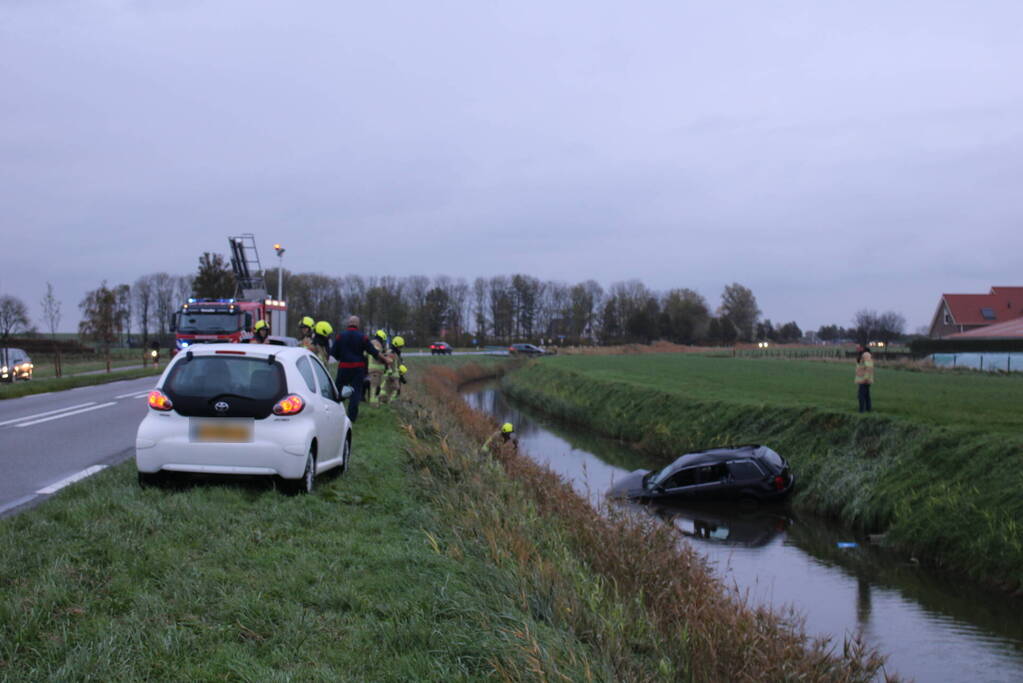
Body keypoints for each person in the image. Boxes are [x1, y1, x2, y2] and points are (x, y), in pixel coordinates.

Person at [330, 316, 389, 421]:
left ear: (348, 324)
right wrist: (385, 359)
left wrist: (342, 357)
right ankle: (351, 417)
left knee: (338, 390)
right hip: (357, 369)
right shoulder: (363, 337)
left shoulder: (340, 336)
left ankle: (334, 413)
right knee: (355, 393)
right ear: (358, 325)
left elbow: (333, 353)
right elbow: (373, 352)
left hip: (343, 367)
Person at [367, 329, 390, 406]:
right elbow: (377, 355)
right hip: (375, 369)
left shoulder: (372, 343)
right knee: (374, 386)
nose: (383, 342)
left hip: (376, 369)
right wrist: (385, 358)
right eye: (383, 340)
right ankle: (373, 404)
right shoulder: (376, 344)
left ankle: (375, 401)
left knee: (376, 386)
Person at [382, 335, 405, 403]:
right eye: (399, 347)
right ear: (395, 345)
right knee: (391, 391)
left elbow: (398, 365)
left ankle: (391, 403)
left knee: (396, 391)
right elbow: (387, 364)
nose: (400, 349)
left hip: (396, 376)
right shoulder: (390, 353)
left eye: (401, 347)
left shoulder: (397, 354)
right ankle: (389, 403)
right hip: (390, 376)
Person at [855, 343, 874, 413]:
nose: (856, 348)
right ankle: (868, 409)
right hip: (863, 379)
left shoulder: (866, 355)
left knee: (861, 395)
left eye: (858, 347)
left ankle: (861, 410)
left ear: (862, 348)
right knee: (866, 395)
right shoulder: (862, 355)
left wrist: (866, 378)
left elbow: (869, 367)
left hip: (864, 379)